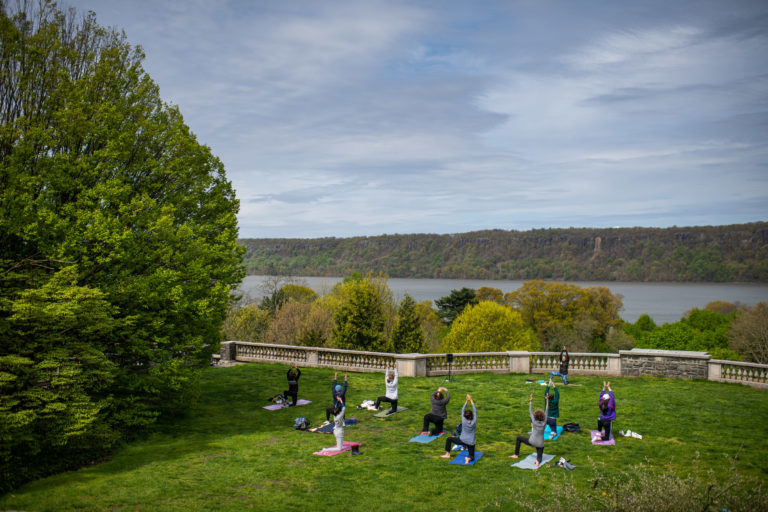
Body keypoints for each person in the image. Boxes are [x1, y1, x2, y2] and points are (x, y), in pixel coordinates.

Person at [511, 393, 548, 468]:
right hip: (540, 444)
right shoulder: (544, 422)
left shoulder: (534, 421)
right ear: (543, 416)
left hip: (532, 441)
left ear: (535, 416)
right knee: (539, 454)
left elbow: (530, 411)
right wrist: (547, 400)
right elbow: (547, 410)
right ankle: (537, 461)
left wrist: (530, 401)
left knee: (519, 438)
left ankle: (516, 455)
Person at [440, 394, 477, 465]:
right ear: (472, 416)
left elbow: (462, 409)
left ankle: (447, 454)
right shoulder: (474, 421)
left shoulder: (464, 420)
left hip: (462, 440)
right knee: (472, 456)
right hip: (471, 442)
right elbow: (475, 411)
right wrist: (471, 400)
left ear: (464, 416)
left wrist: (467, 400)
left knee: (449, 439)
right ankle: (468, 458)